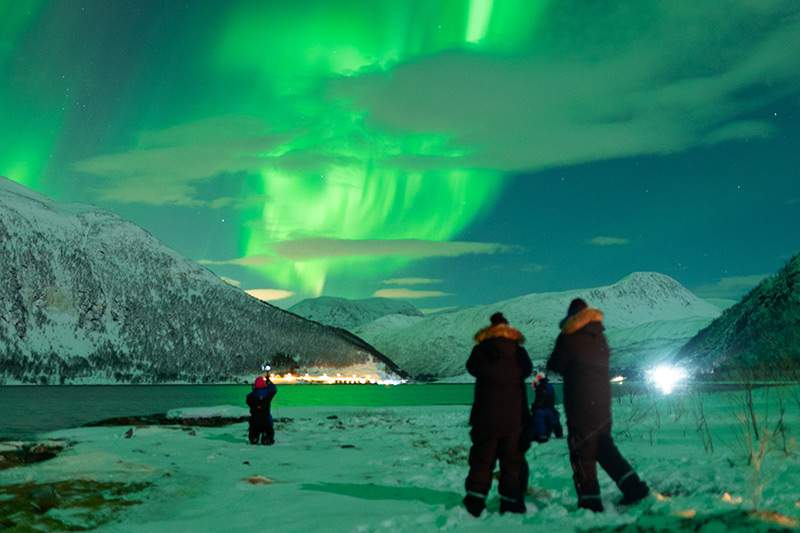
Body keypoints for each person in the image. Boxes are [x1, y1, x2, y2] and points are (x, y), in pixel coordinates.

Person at [546, 298, 649, 512]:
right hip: (602, 401)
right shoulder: (600, 336)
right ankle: (634, 488)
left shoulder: (569, 337)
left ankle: (590, 502)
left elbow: (556, 364)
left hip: (581, 402)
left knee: (582, 450)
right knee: (604, 447)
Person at [463, 312, 533, 516]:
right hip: (514, 418)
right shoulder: (519, 352)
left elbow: (471, 368)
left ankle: (474, 503)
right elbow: (527, 371)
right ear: (508, 328)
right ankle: (511, 503)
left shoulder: (480, 350)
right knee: (511, 462)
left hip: (485, 417)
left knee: (482, 461)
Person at [528, 373, 564, 443]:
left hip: (543, 409)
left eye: (538, 378)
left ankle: (542, 434)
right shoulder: (550, 386)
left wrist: (535, 407)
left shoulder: (541, 387)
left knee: (538, 416)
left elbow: (540, 398)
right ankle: (558, 433)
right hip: (550, 408)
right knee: (554, 418)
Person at [246, 373, 277, 445]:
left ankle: (254, 438)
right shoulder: (268, 394)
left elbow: (248, 402)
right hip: (266, 419)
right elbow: (274, 390)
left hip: (255, 420)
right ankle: (267, 438)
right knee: (268, 427)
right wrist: (269, 382)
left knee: (254, 427)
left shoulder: (250, 396)